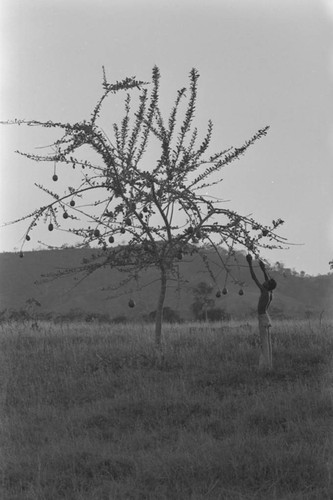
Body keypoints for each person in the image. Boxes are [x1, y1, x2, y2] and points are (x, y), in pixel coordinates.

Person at [246, 254, 277, 370]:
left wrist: (249, 263)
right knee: (267, 343)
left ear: (268, 286)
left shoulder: (264, 291)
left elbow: (254, 278)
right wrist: (263, 269)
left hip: (263, 318)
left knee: (264, 343)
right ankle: (268, 365)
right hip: (266, 318)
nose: (265, 282)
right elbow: (266, 280)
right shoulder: (269, 293)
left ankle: (265, 367)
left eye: (267, 282)